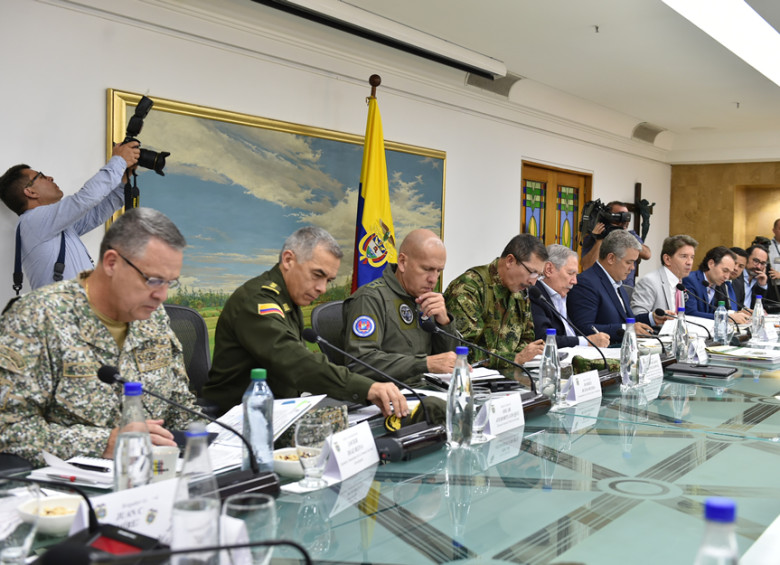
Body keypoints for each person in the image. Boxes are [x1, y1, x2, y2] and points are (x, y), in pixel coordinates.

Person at [0, 207, 197, 467]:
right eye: (153, 280)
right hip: (67, 491)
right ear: (112, 263)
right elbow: (8, 429)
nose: (162, 296)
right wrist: (103, 443)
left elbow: (179, 405)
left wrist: (208, 443)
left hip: (156, 473)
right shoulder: (37, 316)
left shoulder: (154, 315)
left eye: (170, 283)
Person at [202, 226, 408, 419]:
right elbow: (294, 361)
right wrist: (367, 388)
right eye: (317, 275)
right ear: (288, 260)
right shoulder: (258, 300)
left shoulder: (287, 299)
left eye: (328, 280)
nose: (322, 288)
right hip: (237, 419)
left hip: (279, 410)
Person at [0, 142, 141, 291]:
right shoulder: (32, 221)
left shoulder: (51, 226)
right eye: (40, 176)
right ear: (30, 192)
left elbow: (95, 214)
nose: (50, 177)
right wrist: (118, 160)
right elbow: (85, 199)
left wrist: (123, 179)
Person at [343, 229, 458, 381]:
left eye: (438, 271)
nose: (433, 279)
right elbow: (359, 363)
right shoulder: (371, 298)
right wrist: (424, 364)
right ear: (403, 262)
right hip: (387, 397)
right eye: (427, 269)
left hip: (429, 391)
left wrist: (444, 323)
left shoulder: (428, 300)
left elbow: (451, 363)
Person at [443, 234, 548, 370]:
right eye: (532, 272)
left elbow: (527, 338)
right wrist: (514, 358)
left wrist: (524, 355)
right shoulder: (470, 288)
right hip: (470, 379)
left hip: (508, 378)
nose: (533, 282)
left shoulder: (521, 291)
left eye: (538, 275)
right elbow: (461, 350)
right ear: (510, 261)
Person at [567, 230, 664, 343]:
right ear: (611, 258)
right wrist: (628, 329)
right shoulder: (586, 283)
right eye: (629, 262)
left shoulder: (616, 281)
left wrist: (652, 318)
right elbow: (584, 329)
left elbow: (625, 321)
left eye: (634, 262)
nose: (632, 268)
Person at [529, 244, 610, 348]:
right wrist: (587, 341)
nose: (575, 281)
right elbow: (543, 339)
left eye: (576, 275)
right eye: (571, 273)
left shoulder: (566, 293)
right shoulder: (536, 294)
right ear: (549, 269)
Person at [580, 201, 651, 287]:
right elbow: (587, 267)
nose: (625, 220)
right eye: (620, 216)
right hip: (602, 288)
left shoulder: (630, 235)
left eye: (627, 216)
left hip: (625, 290)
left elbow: (647, 254)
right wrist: (600, 240)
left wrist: (624, 236)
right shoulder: (594, 238)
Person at [632, 235, 698, 315]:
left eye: (692, 257)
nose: (689, 262)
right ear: (667, 259)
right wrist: (655, 318)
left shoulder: (679, 284)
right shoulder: (649, 282)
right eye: (684, 256)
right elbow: (637, 315)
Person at [681, 246, 749, 322]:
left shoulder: (716, 284)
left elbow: (713, 312)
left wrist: (736, 314)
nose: (727, 277)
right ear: (711, 264)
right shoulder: (690, 280)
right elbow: (690, 313)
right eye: (725, 270)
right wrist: (726, 317)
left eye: (730, 272)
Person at [732, 244, 769, 310]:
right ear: (746, 259)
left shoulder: (758, 279)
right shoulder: (735, 275)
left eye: (762, 263)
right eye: (756, 261)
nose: (758, 267)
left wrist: (762, 286)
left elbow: (758, 307)